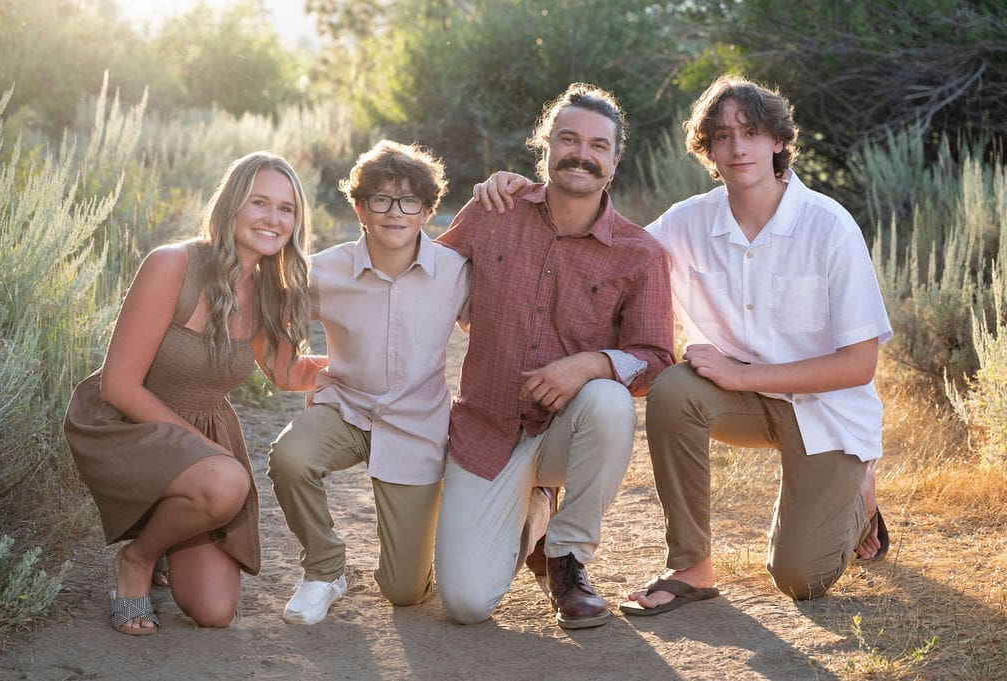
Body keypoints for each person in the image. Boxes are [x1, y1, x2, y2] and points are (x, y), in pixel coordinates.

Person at [475, 74, 892, 614]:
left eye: (751, 132)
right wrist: (524, 192)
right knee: (673, 388)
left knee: (800, 580)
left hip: (827, 413)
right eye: (721, 136)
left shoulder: (828, 226)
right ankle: (691, 567)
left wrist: (742, 375)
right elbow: (604, 255)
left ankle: (857, 488)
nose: (737, 147)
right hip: (738, 403)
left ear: (779, 141)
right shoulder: (688, 221)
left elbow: (859, 366)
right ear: (708, 150)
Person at [434, 83, 674, 630]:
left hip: (567, 432)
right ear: (544, 146)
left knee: (610, 399)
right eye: (567, 139)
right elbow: (430, 280)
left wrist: (590, 364)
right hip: (486, 430)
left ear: (614, 160)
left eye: (597, 145)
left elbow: (656, 358)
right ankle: (536, 512)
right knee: (467, 605)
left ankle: (566, 561)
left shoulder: (640, 254)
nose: (581, 154)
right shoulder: (494, 209)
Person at [64, 151, 322, 635]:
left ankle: (164, 535)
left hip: (198, 433)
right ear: (232, 206)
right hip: (128, 424)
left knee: (213, 610)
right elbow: (119, 385)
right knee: (225, 481)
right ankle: (136, 562)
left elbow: (289, 373)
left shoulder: (271, 290)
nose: (273, 218)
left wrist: (359, 373)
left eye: (286, 209)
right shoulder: (172, 265)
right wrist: (204, 453)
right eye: (259, 202)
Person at [266, 140, 471, 625]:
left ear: (427, 210)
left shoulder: (457, 273)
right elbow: (271, 319)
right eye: (380, 199)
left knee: (404, 592)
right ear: (360, 207)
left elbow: (495, 337)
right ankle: (324, 570)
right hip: (346, 409)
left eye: (409, 201)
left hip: (417, 427)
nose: (394, 212)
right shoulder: (323, 270)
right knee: (290, 458)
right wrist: (295, 372)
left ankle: (435, 540)